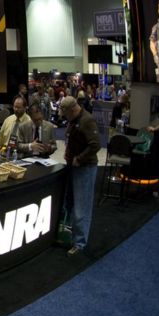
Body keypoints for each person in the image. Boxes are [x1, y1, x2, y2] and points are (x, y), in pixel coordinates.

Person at [60, 96, 100, 257]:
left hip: (85, 168)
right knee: (70, 202)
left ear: (72, 110)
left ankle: (79, 243)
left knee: (81, 207)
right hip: (73, 166)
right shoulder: (73, 119)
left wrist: (79, 158)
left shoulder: (87, 121)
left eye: (64, 113)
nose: (64, 116)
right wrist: (68, 152)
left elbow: (95, 144)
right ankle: (70, 234)